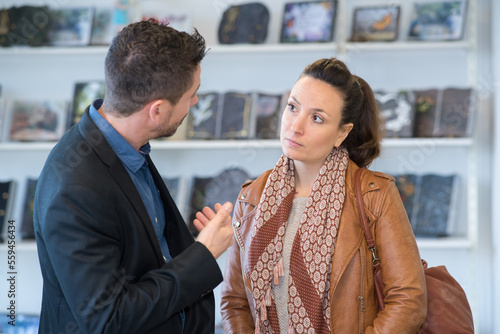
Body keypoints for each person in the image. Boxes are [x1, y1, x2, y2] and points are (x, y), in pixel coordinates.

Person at [33, 19, 234, 334]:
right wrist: (202, 255)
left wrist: (193, 246)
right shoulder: (73, 191)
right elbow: (109, 319)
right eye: (191, 95)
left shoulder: (125, 145)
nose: (194, 102)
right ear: (156, 111)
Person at [217, 58, 427, 333]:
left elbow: (408, 300)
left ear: (342, 132)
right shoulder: (253, 196)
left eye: (317, 118)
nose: (296, 126)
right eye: (293, 107)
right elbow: (234, 301)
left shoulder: (374, 194)